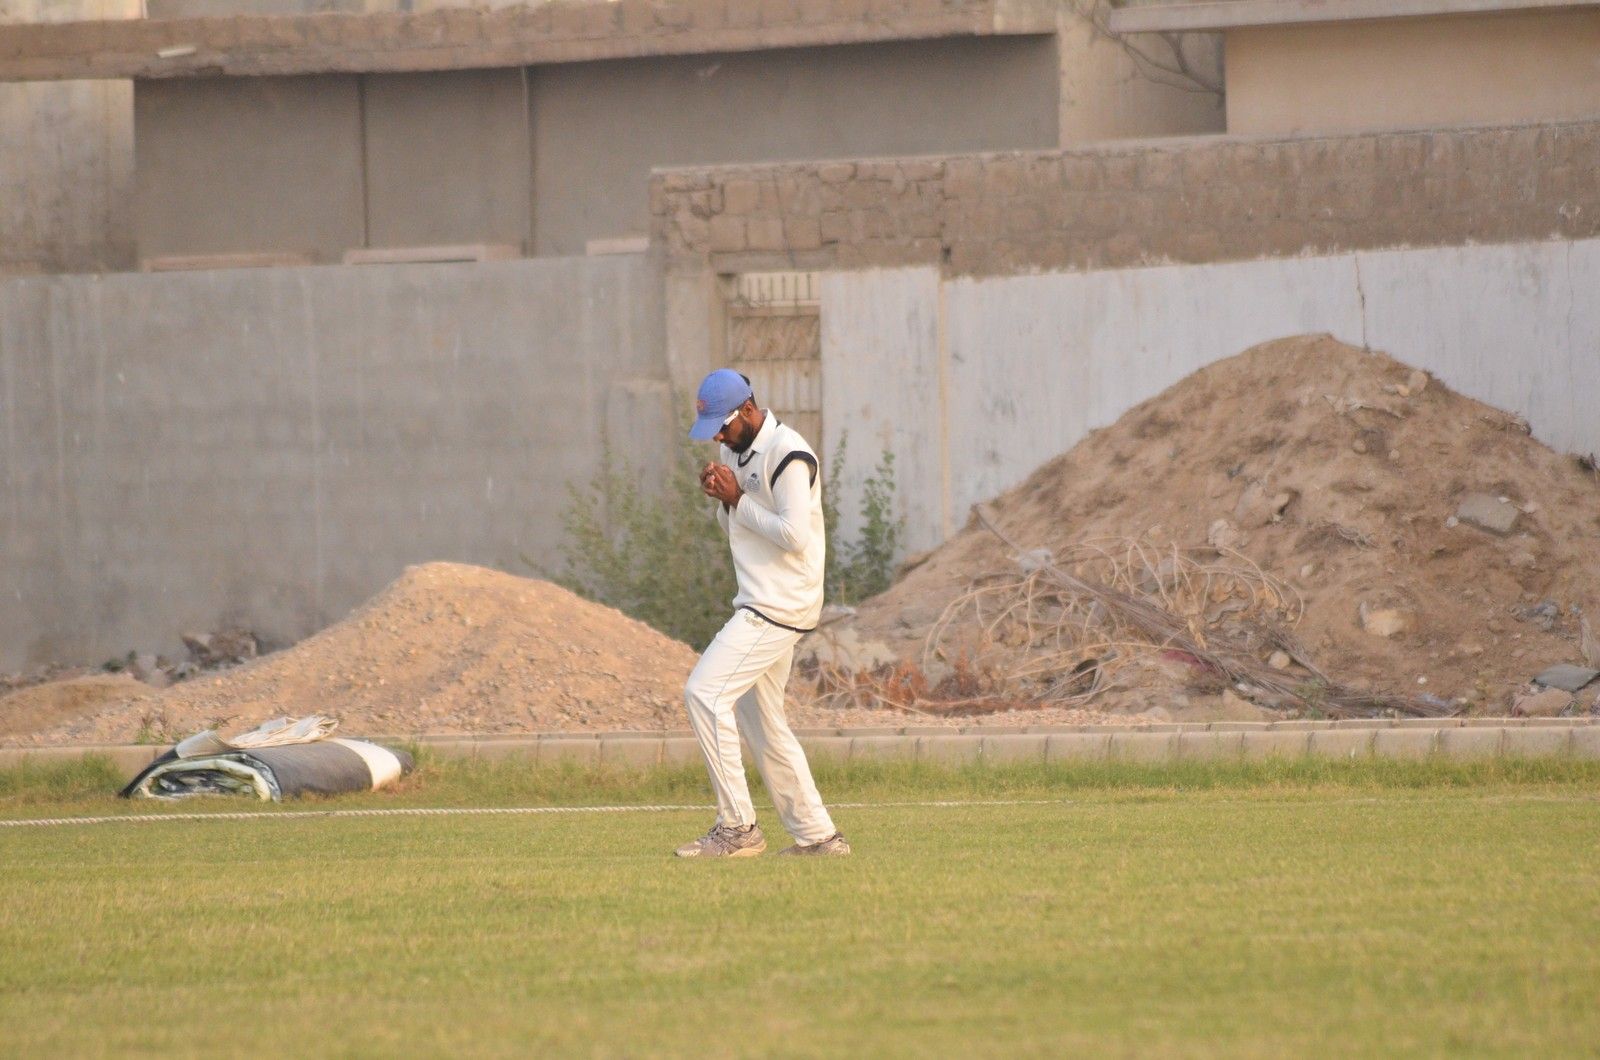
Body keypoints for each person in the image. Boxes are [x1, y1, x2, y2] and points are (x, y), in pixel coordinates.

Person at [674, 368, 850, 858]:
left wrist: (737, 498)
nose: (718, 438)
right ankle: (819, 837)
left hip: (780, 602)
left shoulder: (789, 454)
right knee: (764, 723)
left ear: (747, 410)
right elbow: (742, 527)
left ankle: (738, 828)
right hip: (761, 597)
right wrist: (723, 499)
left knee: (704, 693)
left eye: (722, 426)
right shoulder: (735, 449)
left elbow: (794, 536)